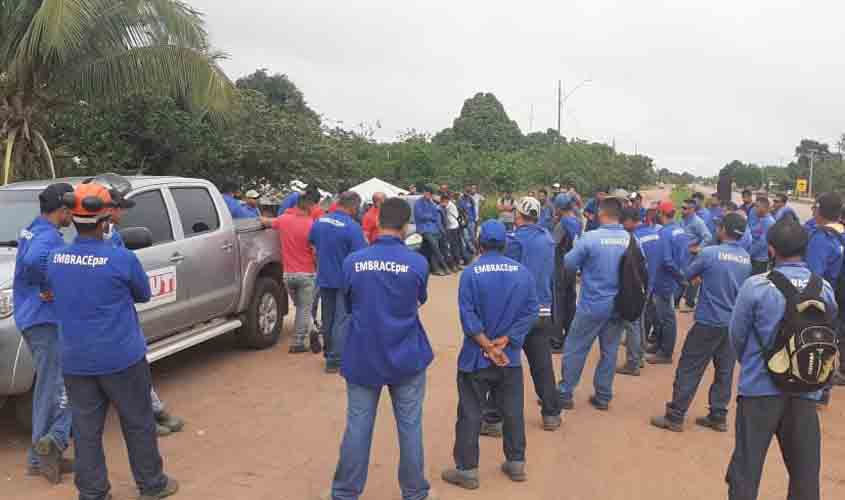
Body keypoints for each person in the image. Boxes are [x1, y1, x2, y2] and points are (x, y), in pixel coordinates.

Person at [47, 183, 178, 500]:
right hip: (121, 358)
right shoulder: (121, 259)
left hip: (76, 359)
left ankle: (92, 493)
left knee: (86, 430)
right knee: (138, 422)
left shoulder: (55, 258)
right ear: (106, 219)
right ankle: (152, 484)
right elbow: (143, 294)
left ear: (73, 217)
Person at [326, 197, 436, 500]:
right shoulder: (417, 262)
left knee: (358, 426)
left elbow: (348, 304)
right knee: (410, 427)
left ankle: (345, 492)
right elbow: (418, 299)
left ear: (377, 222)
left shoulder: (353, 262)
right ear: (405, 226)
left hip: (363, 354)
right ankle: (415, 492)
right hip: (407, 354)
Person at [726, 218, 834, 500]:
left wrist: (753, 365)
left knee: (746, 471)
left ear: (771, 250)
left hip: (759, 390)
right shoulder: (823, 288)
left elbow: (736, 336)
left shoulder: (755, 286)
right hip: (805, 391)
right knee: (804, 475)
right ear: (805, 248)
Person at [441, 220, 538, 490]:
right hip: (509, 357)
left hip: (476, 357)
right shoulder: (523, 273)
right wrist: (506, 341)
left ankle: (467, 470)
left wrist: (487, 346)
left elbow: (468, 315)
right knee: (513, 410)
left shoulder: (471, 273)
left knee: (471, 413)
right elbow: (531, 311)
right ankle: (516, 463)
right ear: (505, 244)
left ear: (479, 243)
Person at [651, 213, 751, 432]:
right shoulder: (746, 258)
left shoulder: (710, 253)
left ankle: (675, 415)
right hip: (731, 324)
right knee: (724, 370)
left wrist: (698, 277)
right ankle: (718, 415)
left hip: (708, 321)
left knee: (689, 367)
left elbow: (688, 274)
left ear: (723, 229)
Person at [101, 178, 184, 438]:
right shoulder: (94, 240)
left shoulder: (110, 236)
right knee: (127, 372)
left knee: (136, 365)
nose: (123, 212)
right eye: (119, 208)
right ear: (108, 209)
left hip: (120, 315)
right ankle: (148, 417)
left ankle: (155, 410)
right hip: (107, 320)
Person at [13, 183, 74, 484]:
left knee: (47, 389)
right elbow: (33, 260)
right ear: (62, 210)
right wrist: (48, 286)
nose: (73, 215)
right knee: (58, 389)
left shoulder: (33, 228)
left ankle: (41, 457)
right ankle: (46, 452)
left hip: (31, 317)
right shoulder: (47, 237)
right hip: (42, 320)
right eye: (71, 210)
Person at [485, 197, 561, 430]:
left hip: (518, 314)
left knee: (503, 363)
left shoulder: (515, 242)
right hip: (543, 310)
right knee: (542, 365)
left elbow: (507, 276)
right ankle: (551, 414)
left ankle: (493, 419)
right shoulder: (548, 239)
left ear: (518, 215)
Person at [557, 197, 630, 411]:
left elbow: (569, 264)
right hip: (619, 305)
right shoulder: (631, 240)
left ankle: (565, 393)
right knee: (609, 351)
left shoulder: (590, 238)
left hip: (592, 304)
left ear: (601, 213)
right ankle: (603, 396)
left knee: (576, 347)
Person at [309, 192, 367, 373]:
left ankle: (328, 351)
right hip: (344, 280)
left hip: (324, 277)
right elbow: (360, 256)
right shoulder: (352, 227)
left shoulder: (320, 222)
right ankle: (335, 359)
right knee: (342, 320)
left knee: (328, 317)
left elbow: (311, 243)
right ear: (353, 207)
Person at [803, 192, 845, 403]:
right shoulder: (841, 234)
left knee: (815, 342)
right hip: (839, 298)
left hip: (823, 299)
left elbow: (814, 276)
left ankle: (817, 390)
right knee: (830, 342)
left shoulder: (821, 238)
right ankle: (824, 388)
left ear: (818, 210)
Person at [273, 189, 322, 353]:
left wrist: (260, 219)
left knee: (300, 306)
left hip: (287, 274)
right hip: (307, 273)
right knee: (304, 308)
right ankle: (298, 342)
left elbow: (267, 222)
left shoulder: (283, 220)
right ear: (309, 208)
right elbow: (315, 251)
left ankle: (312, 329)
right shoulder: (312, 225)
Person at [617, 207, 663, 376]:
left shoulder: (634, 238)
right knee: (639, 321)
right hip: (648, 281)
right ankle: (640, 357)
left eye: (623, 221)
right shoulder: (653, 232)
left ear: (630, 221)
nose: (621, 224)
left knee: (632, 323)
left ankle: (633, 363)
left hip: (636, 284)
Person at [647, 201, 690, 364]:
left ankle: (665, 353)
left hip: (664, 279)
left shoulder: (664, 233)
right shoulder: (680, 230)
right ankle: (658, 345)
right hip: (672, 279)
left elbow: (666, 260)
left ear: (661, 214)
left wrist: (680, 278)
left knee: (666, 317)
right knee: (661, 315)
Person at [550, 193, 582, 353]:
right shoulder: (577, 220)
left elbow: (552, 244)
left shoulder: (562, 224)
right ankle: (571, 335)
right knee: (570, 302)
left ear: (560, 208)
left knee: (558, 303)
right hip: (572, 265)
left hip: (560, 266)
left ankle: (556, 340)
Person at [679, 198, 713, 311]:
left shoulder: (698, 222)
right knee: (683, 276)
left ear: (692, 209)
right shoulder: (683, 220)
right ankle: (681, 300)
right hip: (684, 254)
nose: (682, 210)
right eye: (682, 207)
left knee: (693, 278)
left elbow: (708, 237)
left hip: (692, 256)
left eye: (685, 208)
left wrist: (699, 248)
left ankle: (690, 304)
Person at [414, 186, 449, 276]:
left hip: (434, 229)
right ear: (424, 192)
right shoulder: (418, 203)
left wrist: (441, 230)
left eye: (430, 194)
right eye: (427, 193)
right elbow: (420, 216)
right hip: (424, 229)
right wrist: (431, 216)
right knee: (434, 246)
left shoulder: (432, 203)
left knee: (431, 249)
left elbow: (437, 217)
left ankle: (434, 269)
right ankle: (444, 266)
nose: (428, 195)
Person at [749, 197, 775, 276]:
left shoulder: (769, 222)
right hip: (754, 257)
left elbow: (762, 243)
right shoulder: (760, 219)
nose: (754, 209)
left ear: (764, 208)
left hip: (760, 260)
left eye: (757, 206)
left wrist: (748, 253)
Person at [440, 193, 463, 273]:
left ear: (446, 200)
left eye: (443, 201)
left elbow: (443, 207)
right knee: (454, 246)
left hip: (451, 228)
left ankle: (454, 265)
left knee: (451, 247)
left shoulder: (449, 205)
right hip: (453, 227)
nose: (442, 203)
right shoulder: (450, 204)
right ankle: (456, 264)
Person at [458, 187, 478, 257]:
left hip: (471, 221)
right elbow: (460, 211)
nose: (467, 193)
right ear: (464, 191)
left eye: (468, 192)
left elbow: (473, 210)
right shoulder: (460, 200)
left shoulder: (471, 199)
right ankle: (472, 251)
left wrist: (474, 219)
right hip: (464, 222)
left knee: (473, 237)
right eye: (466, 191)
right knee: (466, 238)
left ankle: (477, 249)